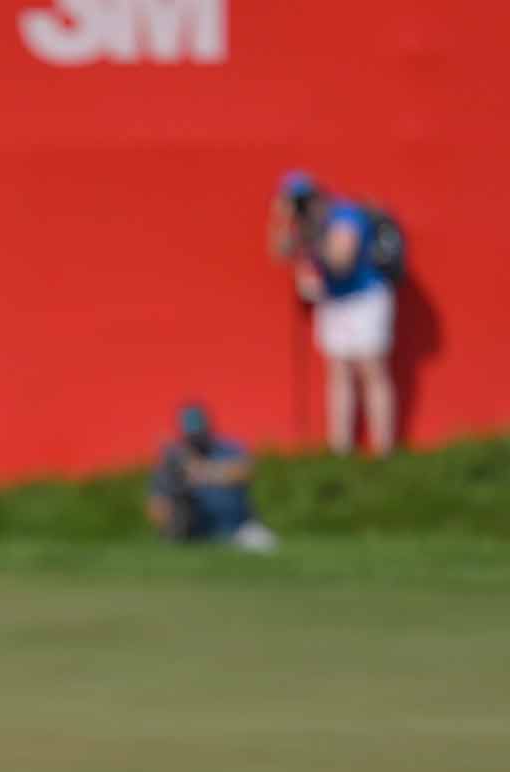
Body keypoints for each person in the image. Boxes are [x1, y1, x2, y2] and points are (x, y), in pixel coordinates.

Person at [268, 172, 397, 456]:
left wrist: (312, 237)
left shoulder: (345, 215)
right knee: (338, 372)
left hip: (365, 299)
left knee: (371, 370)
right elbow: (277, 251)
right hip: (335, 301)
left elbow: (341, 261)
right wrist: (284, 219)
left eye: (303, 201)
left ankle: (384, 449)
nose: (303, 207)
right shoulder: (304, 224)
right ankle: (340, 448)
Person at [147, 404, 278, 554]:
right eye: (192, 435)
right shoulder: (172, 461)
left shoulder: (227, 449)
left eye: (199, 433)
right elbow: (157, 507)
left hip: (238, 528)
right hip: (196, 535)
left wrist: (200, 471)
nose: (196, 439)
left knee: (266, 545)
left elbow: (245, 471)